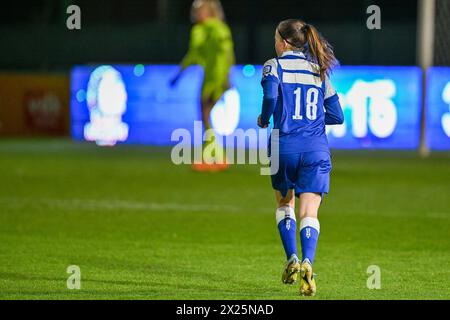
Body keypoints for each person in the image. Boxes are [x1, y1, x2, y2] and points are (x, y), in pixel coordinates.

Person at [257, 19, 344, 296]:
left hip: (283, 146)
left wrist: (264, 117)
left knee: (285, 203)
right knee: (310, 212)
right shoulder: (319, 70)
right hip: (316, 149)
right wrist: (314, 121)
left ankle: (292, 257)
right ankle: (308, 261)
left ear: (283, 42)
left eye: (275, 39)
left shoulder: (274, 64)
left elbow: (270, 96)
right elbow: (337, 116)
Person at [171, 0, 235, 171]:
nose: (196, 15)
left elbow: (220, 54)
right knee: (205, 116)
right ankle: (215, 156)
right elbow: (198, 55)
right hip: (211, 77)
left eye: (200, 11)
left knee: (205, 115)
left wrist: (226, 77)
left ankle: (215, 156)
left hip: (216, 78)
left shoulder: (208, 29)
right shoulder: (215, 28)